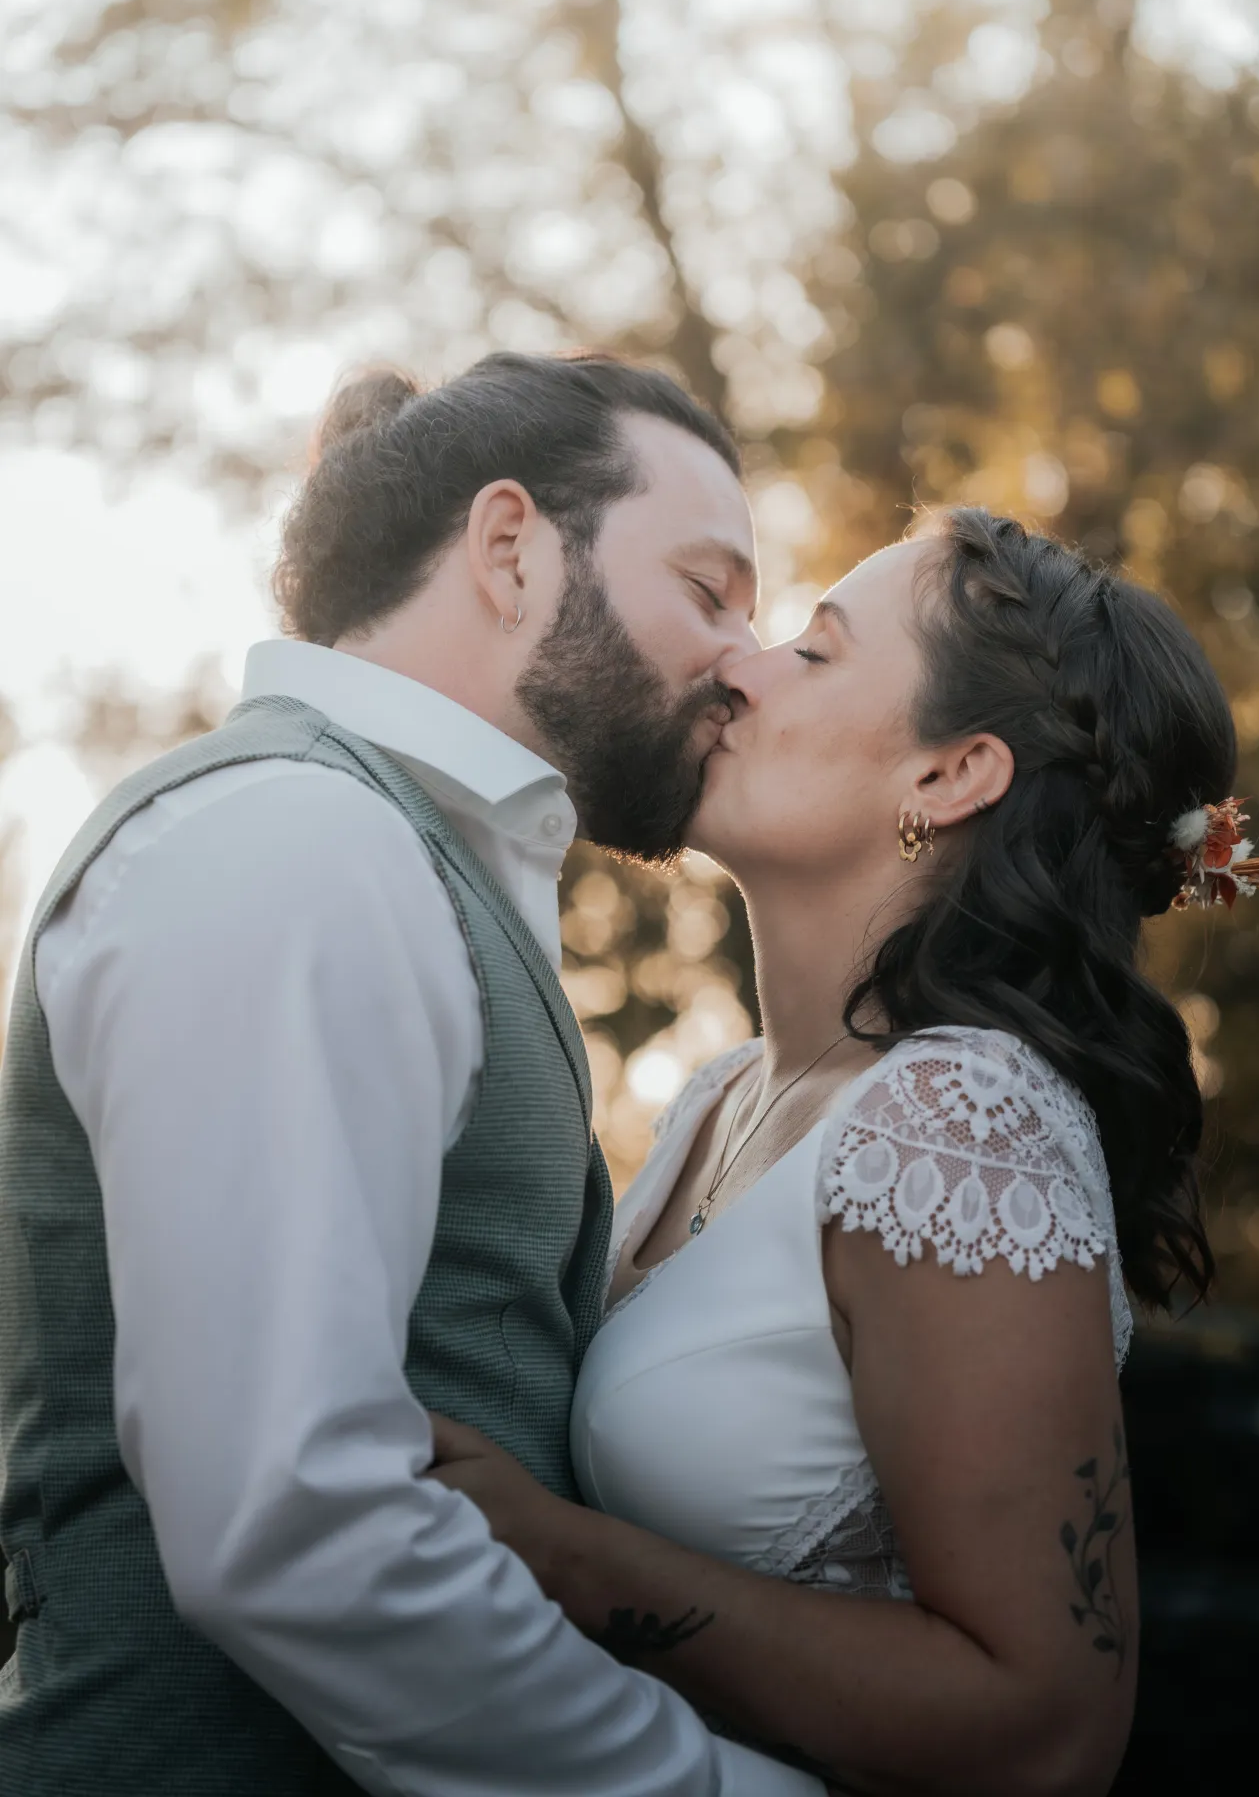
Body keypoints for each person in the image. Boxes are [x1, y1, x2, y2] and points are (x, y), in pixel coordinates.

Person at [0, 353, 824, 1795]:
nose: (743, 659)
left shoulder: (395, 857)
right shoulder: (297, 847)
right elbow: (294, 1523)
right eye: (709, 590)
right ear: (510, 548)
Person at [428, 506, 1259, 1797]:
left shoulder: (964, 1127)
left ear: (948, 776)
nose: (739, 665)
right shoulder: (721, 1097)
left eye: (813, 651)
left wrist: (563, 1559)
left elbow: (1046, 1727)